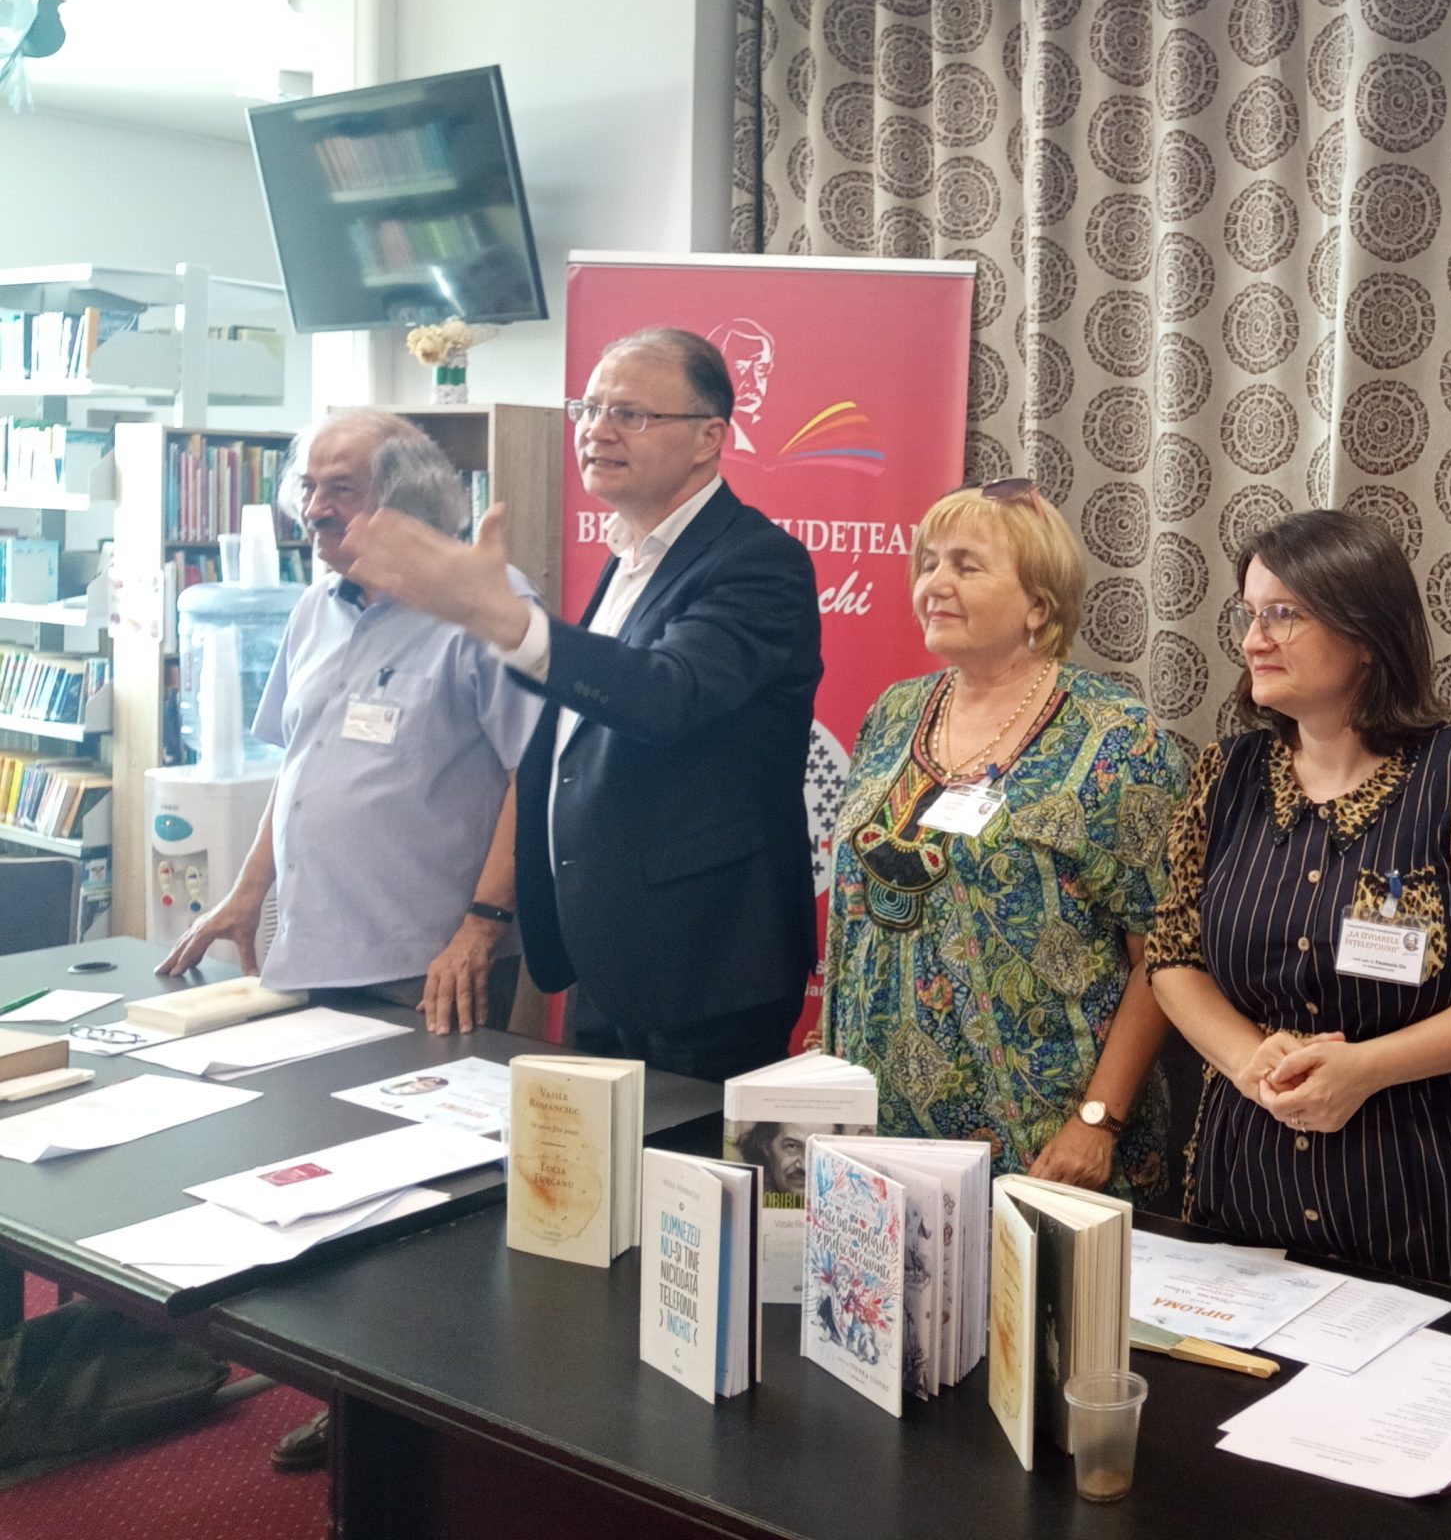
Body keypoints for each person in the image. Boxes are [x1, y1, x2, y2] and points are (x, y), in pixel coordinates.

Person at [158, 411, 543, 1476]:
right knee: (322, 1185)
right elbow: (302, 763)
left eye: (341, 489)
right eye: (308, 487)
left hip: (429, 962)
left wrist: (481, 924)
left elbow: (534, 775)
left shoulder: (487, 610)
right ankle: (355, 1387)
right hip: (313, 947)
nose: (314, 509)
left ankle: (419, 1418)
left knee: (423, 1205)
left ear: (407, 501)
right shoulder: (313, 608)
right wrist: (248, 890)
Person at [344, 327, 823, 1081]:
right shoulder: (630, 555)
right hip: (605, 952)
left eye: (630, 414)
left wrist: (505, 621)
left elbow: (664, 694)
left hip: (703, 962)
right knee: (600, 1157)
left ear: (709, 439)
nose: (597, 430)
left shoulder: (758, 562)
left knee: (685, 1159)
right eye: (589, 408)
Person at [1147, 509, 1451, 1306]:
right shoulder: (1225, 776)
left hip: (1430, 1191)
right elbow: (1173, 956)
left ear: (1367, 634)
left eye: (1284, 614)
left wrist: (1365, 1070)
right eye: (1250, 615)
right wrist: (1248, 1061)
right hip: (1251, 1182)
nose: (1254, 641)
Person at [822, 479, 1184, 1197]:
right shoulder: (894, 712)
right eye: (928, 563)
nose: (935, 584)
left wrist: (1098, 1119)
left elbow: (1165, 954)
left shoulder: (1117, 738)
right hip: (878, 1136)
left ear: (1038, 604)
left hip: (1048, 1147)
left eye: (966, 565)